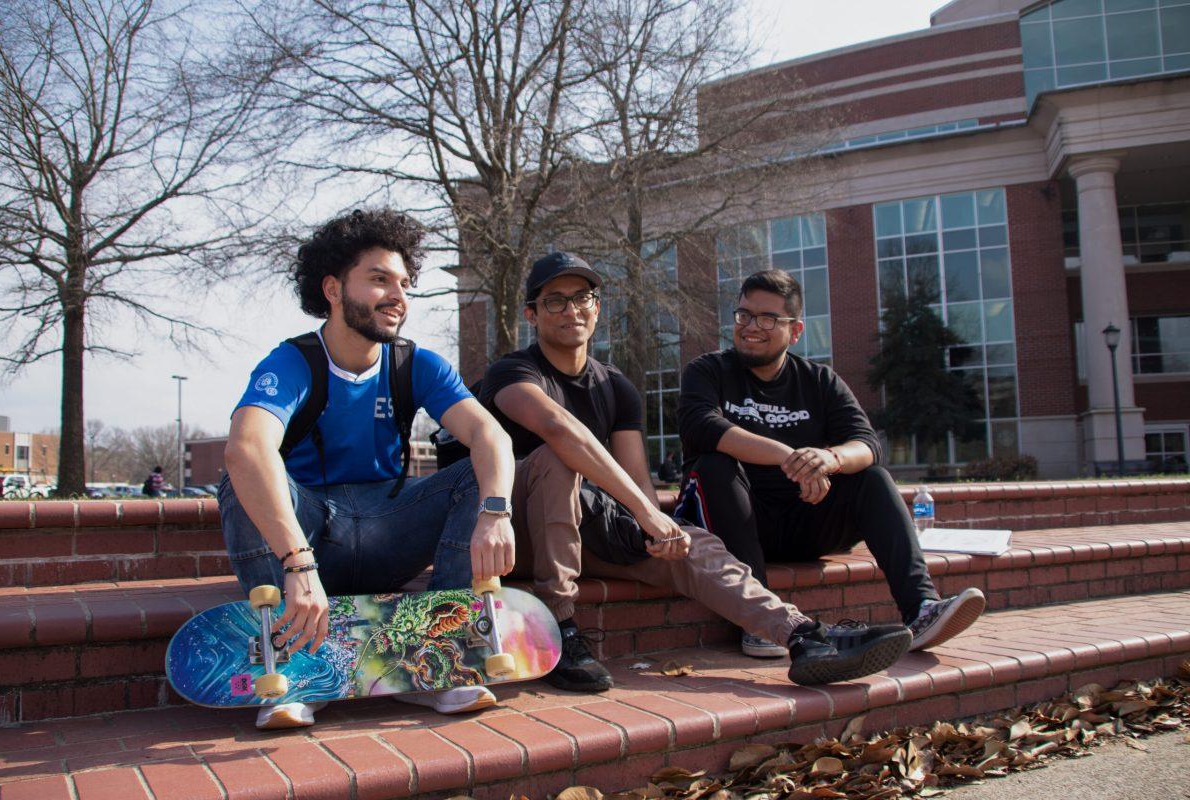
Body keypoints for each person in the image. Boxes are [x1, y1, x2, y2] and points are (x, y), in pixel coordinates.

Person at [479, 252, 912, 693]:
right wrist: (647, 515)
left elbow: (638, 483)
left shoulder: (616, 387)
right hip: (514, 536)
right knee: (558, 459)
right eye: (555, 301)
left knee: (692, 544)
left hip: (584, 528)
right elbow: (559, 429)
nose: (572, 310)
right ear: (532, 314)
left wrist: (657, 526)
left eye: (583, 298)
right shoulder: (512, 372)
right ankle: (562, 628)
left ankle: (803, 637)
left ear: (597, 307)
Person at [220, 208, 516, 730]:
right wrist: (297, 561)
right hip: (313, 538)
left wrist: (496, 512)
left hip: (389, 530)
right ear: (333, 290)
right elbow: (247, 448)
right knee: (240, 477)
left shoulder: (415, 363)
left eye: (404, 283)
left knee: (480, 473)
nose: (397, 295)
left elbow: (489, 434)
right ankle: (292, 667)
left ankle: (441, 657)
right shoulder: (293, 363)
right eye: (379, 280)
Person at [676, 269, 985, 658]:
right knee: (712, 466)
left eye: (768, 318)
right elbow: (701, 426)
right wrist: (789, 456)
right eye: (744, 315)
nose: (751, 327)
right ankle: (759, 618)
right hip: (729, 523)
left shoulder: (820, 381)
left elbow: (868, 444)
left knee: (871, 477)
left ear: (796, 330)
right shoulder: (708, 371)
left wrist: (829, 459)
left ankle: (921, 608)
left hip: (807, 520)